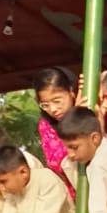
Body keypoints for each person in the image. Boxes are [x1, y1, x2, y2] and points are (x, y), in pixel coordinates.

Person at [33, 67, 79, 198]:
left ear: (71, 91)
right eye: (45, 105)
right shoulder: (46, 125)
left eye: (57, 101)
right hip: (75, 195)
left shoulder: (92, 110)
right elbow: (57, 162)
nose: (52, 109)